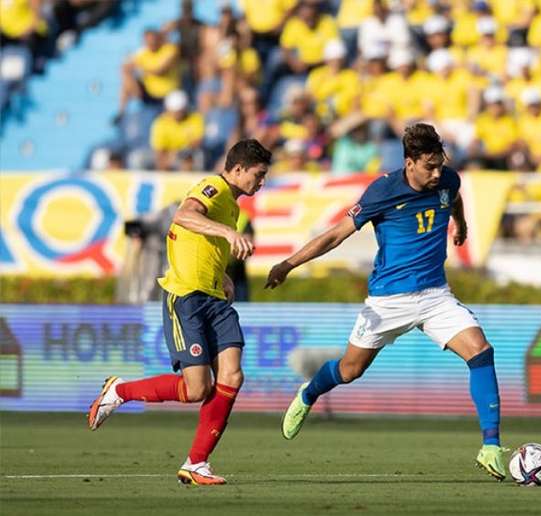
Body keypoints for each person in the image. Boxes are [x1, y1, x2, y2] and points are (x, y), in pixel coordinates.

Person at [265, 123, 509, 481]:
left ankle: (491, 447)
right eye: (430, 166)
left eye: (440, 165)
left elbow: (453, 196)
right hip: (387, 301)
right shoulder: (382, 191)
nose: (437, 173)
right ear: (409, 163)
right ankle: (309, 392)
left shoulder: (447, 180)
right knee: (350, 370)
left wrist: (461, 225)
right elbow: (335, 235)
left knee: (480, 350)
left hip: (435, 296)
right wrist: (288, 264)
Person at [87, 139, 272, 486]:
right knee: (197, 389)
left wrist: (224, 276)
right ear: (237, 169)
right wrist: (228, 232)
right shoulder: (213, 187)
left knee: (232, 377)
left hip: (215, 299)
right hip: (185, 299)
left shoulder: (230, 203)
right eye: (258, 175)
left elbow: (201, 246)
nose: (261, 183)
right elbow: (184, 215)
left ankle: (196, 463)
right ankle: (120, 391)